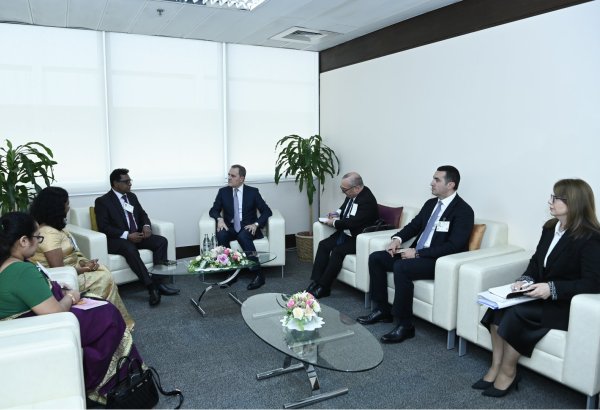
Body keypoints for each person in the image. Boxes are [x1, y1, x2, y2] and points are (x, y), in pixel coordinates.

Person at [0, 212, 144, 405]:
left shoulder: (9, 263)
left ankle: (105, 374)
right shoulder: (21, 271)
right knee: (108, 314)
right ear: (24, 241)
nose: (39, 243)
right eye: (37, 238)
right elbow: (56, 313)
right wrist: (70, 297)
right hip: (42, 327)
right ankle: (102, 384)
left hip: (27, 323)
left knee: (98, 305)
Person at [474, 179, 600, 398]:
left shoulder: (590, 237)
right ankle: (495, 366)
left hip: (565, 303)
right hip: (539, 295)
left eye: (556, 198)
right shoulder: (550, 228)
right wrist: (525, 279)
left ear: (573, 202)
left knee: (515, 313)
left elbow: (592, 282)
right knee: (496, 309)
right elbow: (536, 262)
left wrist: (552, 288)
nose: (550, 201)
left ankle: (508, 372)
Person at [358, 165, 474, 344]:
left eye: (437, 180)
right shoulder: (431, 204)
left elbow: (454, 246)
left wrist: (418, 253)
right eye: (433, 179)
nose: (431, 183)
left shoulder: (463, 211)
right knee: (377, 258)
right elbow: (413, 226)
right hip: (415, 253)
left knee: (401, 267)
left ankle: (405, 325)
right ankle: (382, 310)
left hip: (438, 261)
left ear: (450, 184)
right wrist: (397, 239)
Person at [29, 187, 134, 329]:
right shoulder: (49, 234)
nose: (69, 207)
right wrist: (83, 269)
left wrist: (84, 262)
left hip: (70, 269)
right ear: (57, 207)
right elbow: (59, 271)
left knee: (103, 270)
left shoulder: (54, 227)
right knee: (104, 277)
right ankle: (105, 323)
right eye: (67, 203)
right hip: (61, 280)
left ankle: (110, 321)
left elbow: (70, 253)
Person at [95, 168, 179, 306]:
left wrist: (146, 226)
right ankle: (151, 287)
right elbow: (104, 227)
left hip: (137, 235)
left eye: (130, 181)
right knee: (129, 248)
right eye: (126, 181)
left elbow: (143, 214)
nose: (130, 184)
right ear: (115, 183)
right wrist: (127, 235)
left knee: (161, 241)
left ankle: (159, 283)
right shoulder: (103, 201)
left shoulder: (131, 197)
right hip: (118, 240)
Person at [307, 172, 379, 298]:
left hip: (359, 237)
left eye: (344, 190)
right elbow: (344, 208)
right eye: (342, 189)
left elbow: (353, 222)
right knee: (324, 245)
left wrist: (334, 223)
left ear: (357, 188)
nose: (343, 192)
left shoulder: (367, 200)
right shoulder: (351, 193)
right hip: (346, 233)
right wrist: (335, 214)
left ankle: (324, 287)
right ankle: (316, 281)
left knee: (337, 251)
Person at [209, 164, 273, 290]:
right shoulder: (223, 192)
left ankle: (258, 274)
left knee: (243, 236)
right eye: (229, 175)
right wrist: (219, 219)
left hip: (248, 227)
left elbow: (267, 211)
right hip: (231, 227)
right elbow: (214, 210)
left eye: (233, 176)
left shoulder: (253, 192)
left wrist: (256, 224)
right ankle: (231, 273)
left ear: (241, 179)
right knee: (221, 234)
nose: (229, 178)